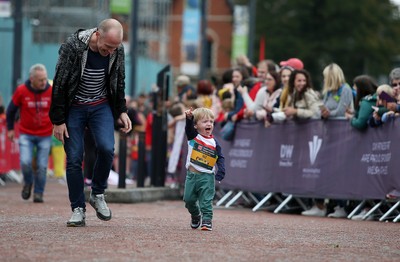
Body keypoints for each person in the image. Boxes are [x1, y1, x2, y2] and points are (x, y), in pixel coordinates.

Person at [49, 18, 132, 227]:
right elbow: (59, 82)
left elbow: (119, 79)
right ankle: (78, 208)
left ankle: (97, 193)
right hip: (74, 107)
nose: (111, 52)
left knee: (106, 148)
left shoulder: (117, 50)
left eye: (116, 47)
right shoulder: (74, 46)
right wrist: (58, 120)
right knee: (75, 157)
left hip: (100, 105)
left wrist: (121, 110)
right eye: (108, 46)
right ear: (97, 35)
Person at [6, 64, 53, 203]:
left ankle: (39, 193)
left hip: (45, 133)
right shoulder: (21, 91)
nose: (44, 82)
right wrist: (10, 129)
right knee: (25, 162)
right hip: (26, 133)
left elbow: (58, 109)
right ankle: (28, 182)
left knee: (42, 166)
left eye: (45, 79)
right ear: (31, 79)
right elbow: (10, 111)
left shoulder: (51, 91)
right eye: (40, 80)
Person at [184, 107, 225, 231]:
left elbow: (220, 157)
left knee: (206, 201)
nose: (209, 124)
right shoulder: (193, 137)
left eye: (211, 122)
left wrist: (221, 170)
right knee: (188, 200)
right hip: (191, 175)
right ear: (195, 126)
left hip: (207, 176)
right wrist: (189, 119)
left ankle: (207, 220)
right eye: (205, 121)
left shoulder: (214, 142)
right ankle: (195, 215)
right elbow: (188, 129)